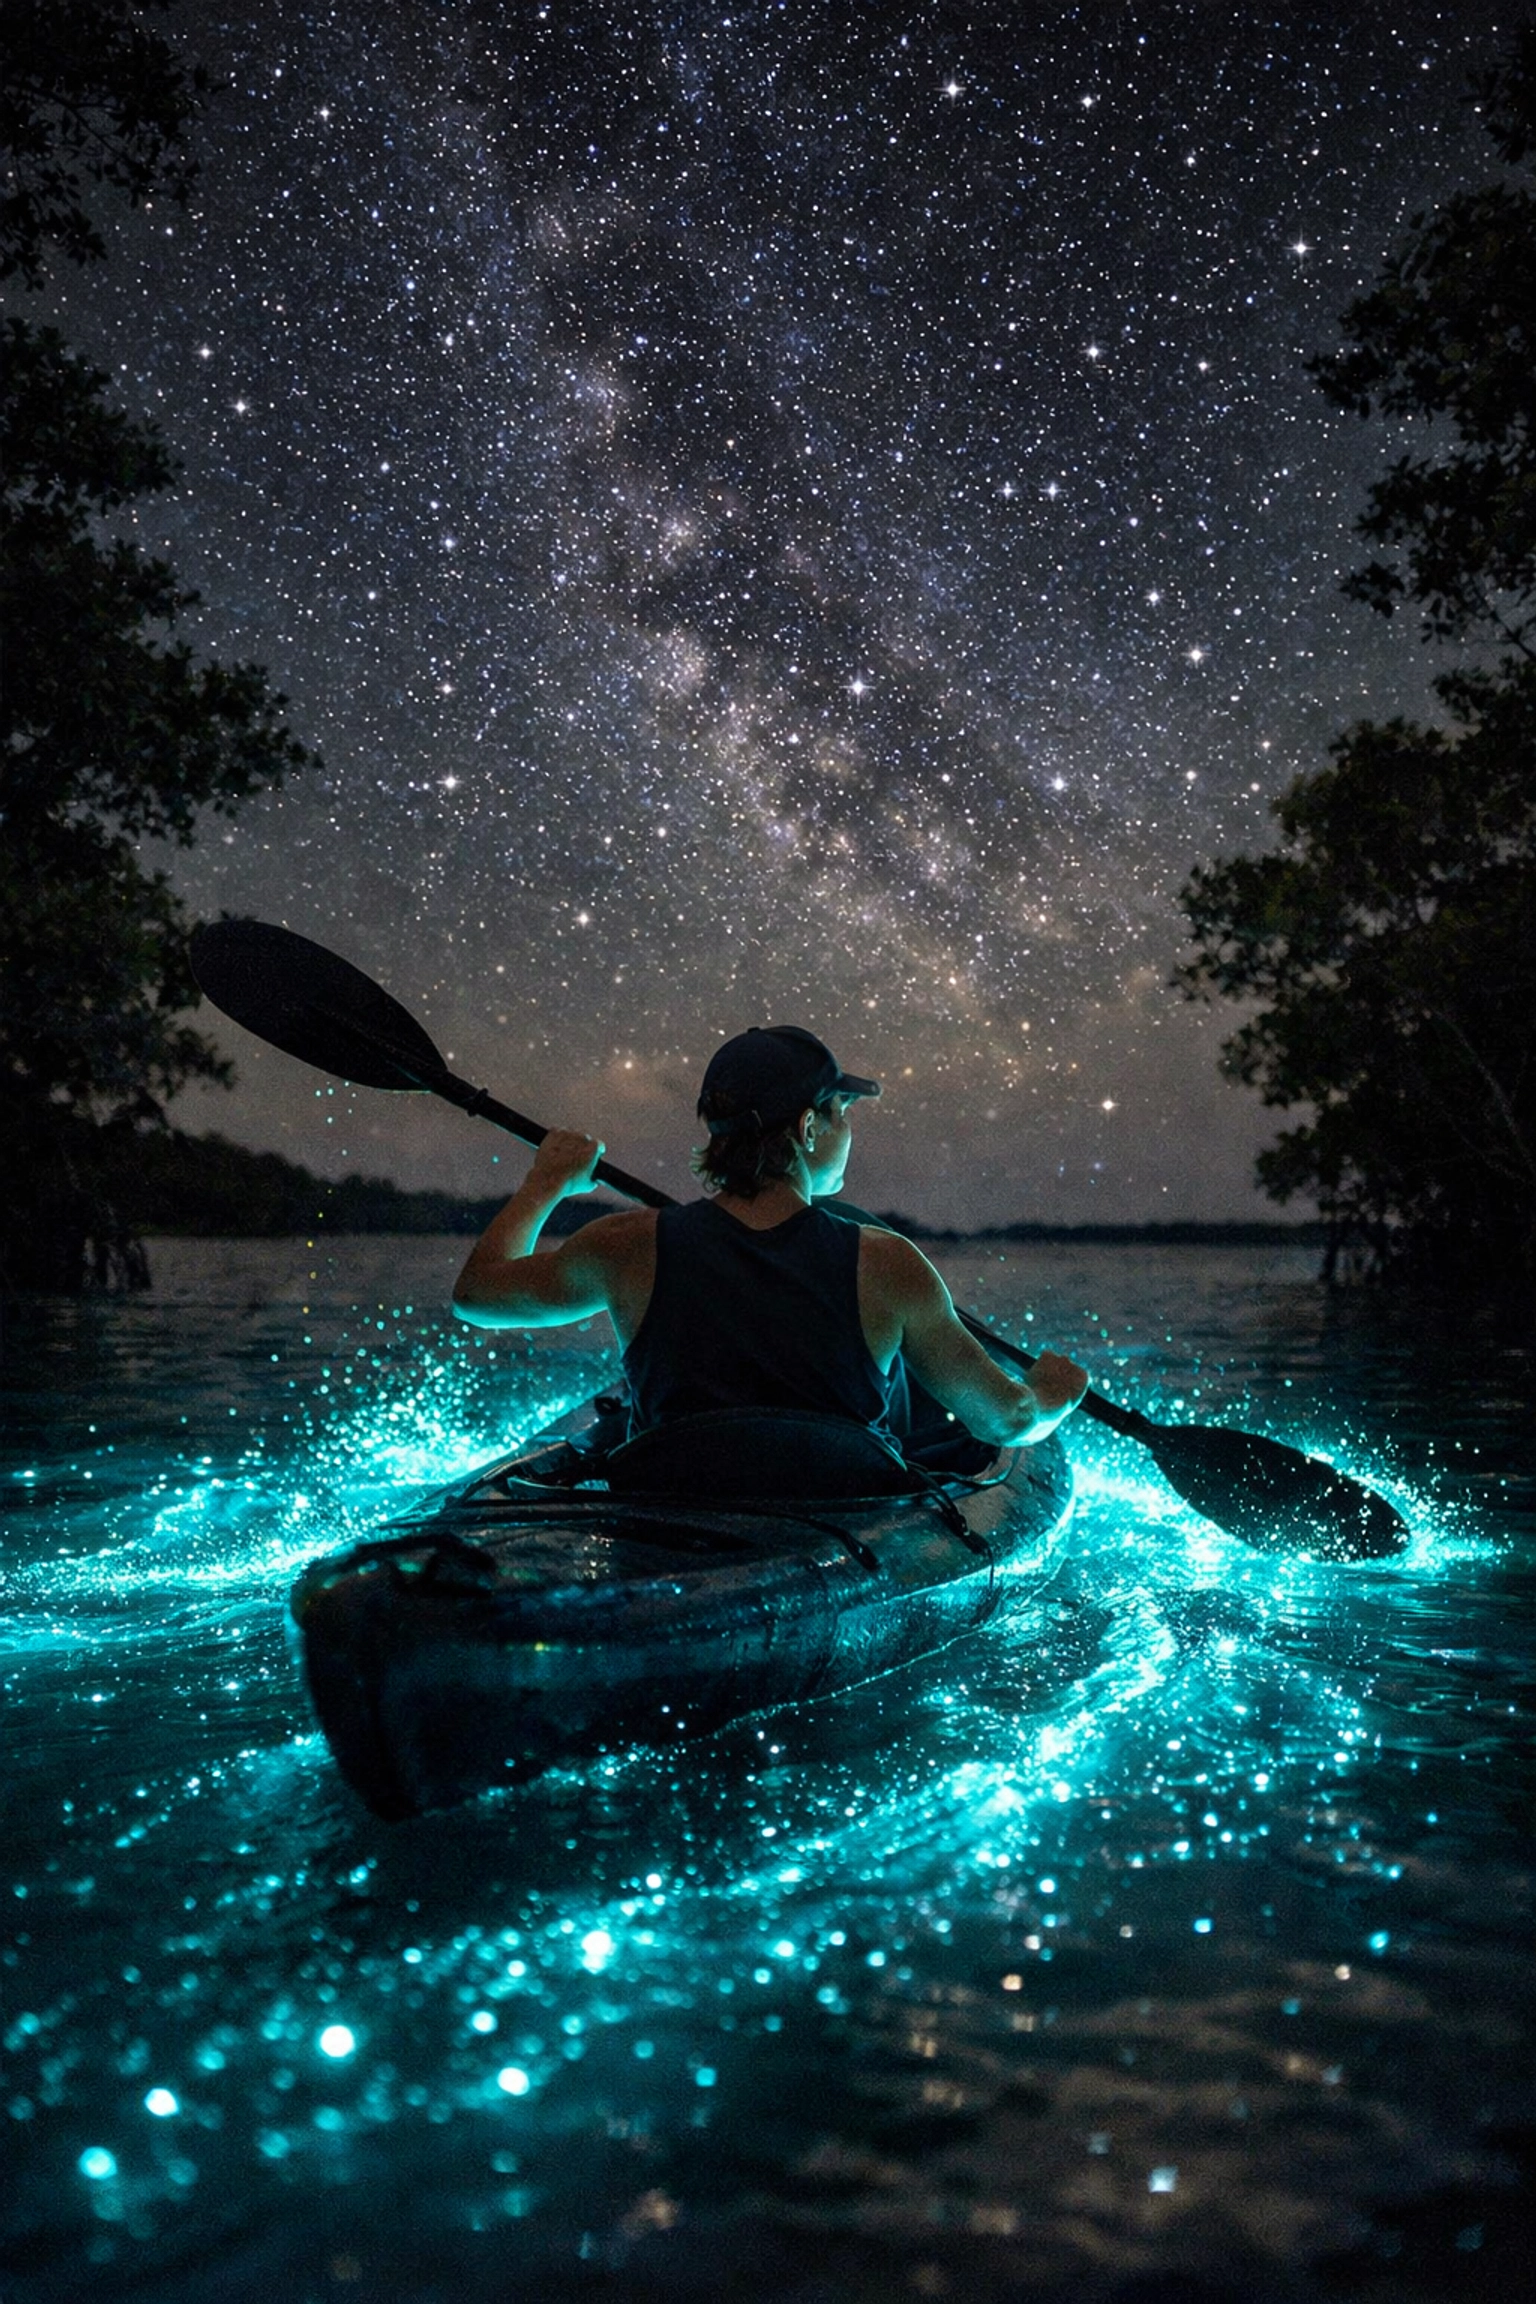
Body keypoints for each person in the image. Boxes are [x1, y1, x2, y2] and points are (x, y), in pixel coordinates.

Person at [451, 1025, 1087, 1454]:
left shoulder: (625, 1245)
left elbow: (477, 1295)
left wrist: (546, 1182)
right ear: (809, 1128)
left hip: (672, 1506)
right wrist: (1054, 1392)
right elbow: (1007, 1420)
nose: (849, 1132)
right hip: (833, 1515)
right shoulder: (886, 1263)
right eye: (843, 1115)